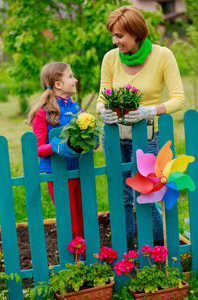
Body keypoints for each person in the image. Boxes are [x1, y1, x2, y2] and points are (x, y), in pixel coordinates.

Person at [97, 6, 185, 251]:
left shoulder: (163, 55)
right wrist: (102, 109)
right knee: (123, 197)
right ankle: (128, 253)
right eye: (113, 36)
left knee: (146, 197)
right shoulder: (110, 58)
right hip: (115, 138)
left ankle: (156, 253)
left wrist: (150, 110)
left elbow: (179, 98)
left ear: (136, 34)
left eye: (120, 36)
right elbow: (102, 96)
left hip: (147, 138)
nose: (115, 41)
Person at [26, 62, 85, 241]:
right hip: (58, 175)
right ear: (58, 84)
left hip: (80, 171)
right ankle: (74, 261)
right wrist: (56, 146)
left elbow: (87, 134)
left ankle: (87, 259)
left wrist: (92, 140)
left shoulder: (75, 108)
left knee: (84, 221)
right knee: (70, 224)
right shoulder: (43, 113)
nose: (75, 80)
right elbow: (38, 149)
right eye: (70, 76)